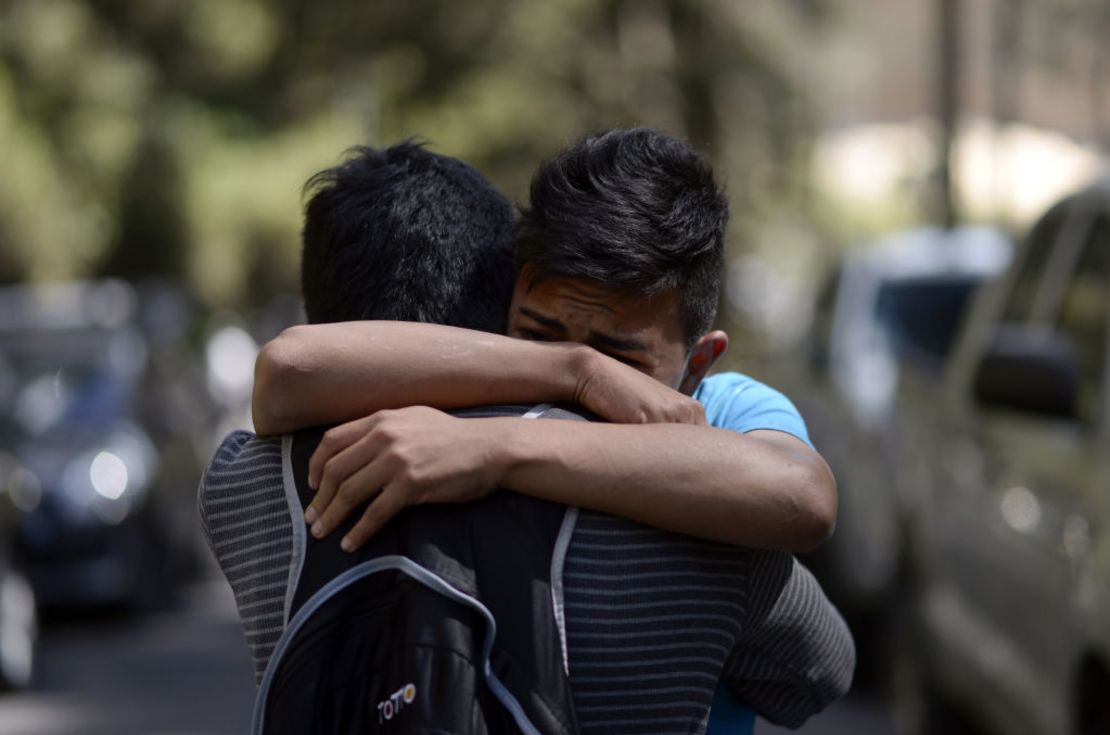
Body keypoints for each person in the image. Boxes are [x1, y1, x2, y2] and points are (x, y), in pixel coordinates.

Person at [205, 135, 853, 734]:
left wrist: (498, 447)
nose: (572, 389)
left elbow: (804, 496)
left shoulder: (724, 430)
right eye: (538, 335)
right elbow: (817, 668)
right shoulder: (689, 515)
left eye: (620, 362)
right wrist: (577, 373)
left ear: (700, 362)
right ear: (499, 310)